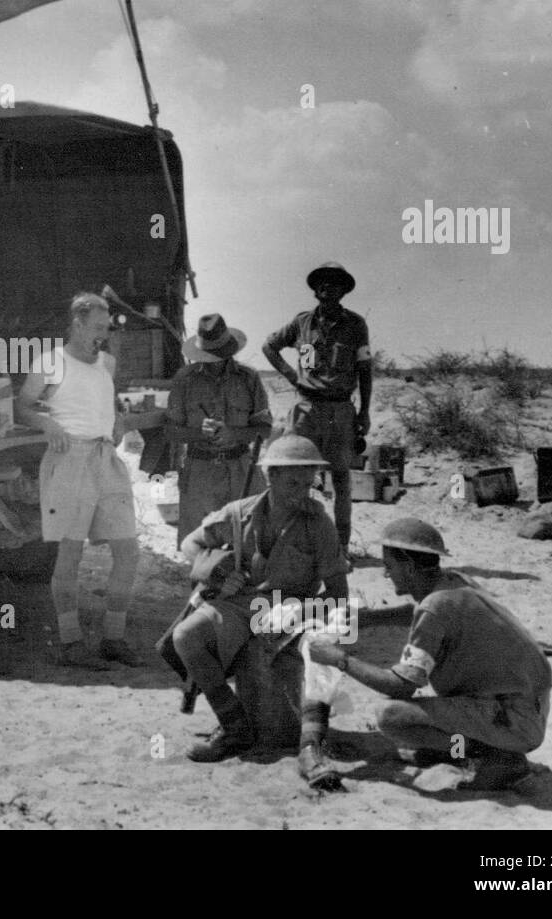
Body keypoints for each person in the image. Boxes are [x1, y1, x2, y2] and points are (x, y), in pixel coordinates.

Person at [307, 518, 552, 791]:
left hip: (513, 719)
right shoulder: (455, 583)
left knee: (392, 717)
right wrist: (360, 621)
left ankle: (498, 757)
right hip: (529, 705)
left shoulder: (434, 608)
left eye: (389, 567)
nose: (386, 575)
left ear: (409, 567)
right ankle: (461, 749)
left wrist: (340, 660)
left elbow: (402, 687)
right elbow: (415, 613)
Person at [173, 435, 347, 787]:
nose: (302, 491)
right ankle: (234, 727)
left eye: (308, 481)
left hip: (297, 609)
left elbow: (338, 594)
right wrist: (215, 570)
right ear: (271, 477)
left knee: (324, 646)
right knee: (185, 636)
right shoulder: (240, 513)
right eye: (293, 481)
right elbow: (190, 543)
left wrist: (303, 613)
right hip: (244, 604)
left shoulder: (319, 524)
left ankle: (310, 746)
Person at [15, 292, 140, 669]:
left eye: (107, 328)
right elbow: (22, 406)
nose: (103, 334)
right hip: (69, 461)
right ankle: (71, 642)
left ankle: (112, 638)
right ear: (77, 322)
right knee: (70, 555)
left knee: (128, 552)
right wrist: (47, 423)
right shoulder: (50, 362)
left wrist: (116, 419)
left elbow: (104, 401)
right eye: (98, 327)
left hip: (106, 459)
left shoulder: (107, 363)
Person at [262, 261, 371, 559]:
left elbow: (364, 369)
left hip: (340, 411)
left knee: (340, 479)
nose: (327, 287)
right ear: (315, 288)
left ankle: (341, 545)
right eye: (321, 282)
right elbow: (269, 346)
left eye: (334, 282)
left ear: (343, 290)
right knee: (290, 473)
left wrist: (365, 412)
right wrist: (288, 374)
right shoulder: (301, 323)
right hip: (306, 408)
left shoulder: (356, 325)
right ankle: (288, 538)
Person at [165, 314, 271, 544]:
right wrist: (198, 433)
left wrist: (234, 434)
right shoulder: (185, 379)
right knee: (199, 549)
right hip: (199, 476)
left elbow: (264, 429)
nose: (214, 361)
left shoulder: (249, 378)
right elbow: (171, 431)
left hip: (242, 472)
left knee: (247, 545)